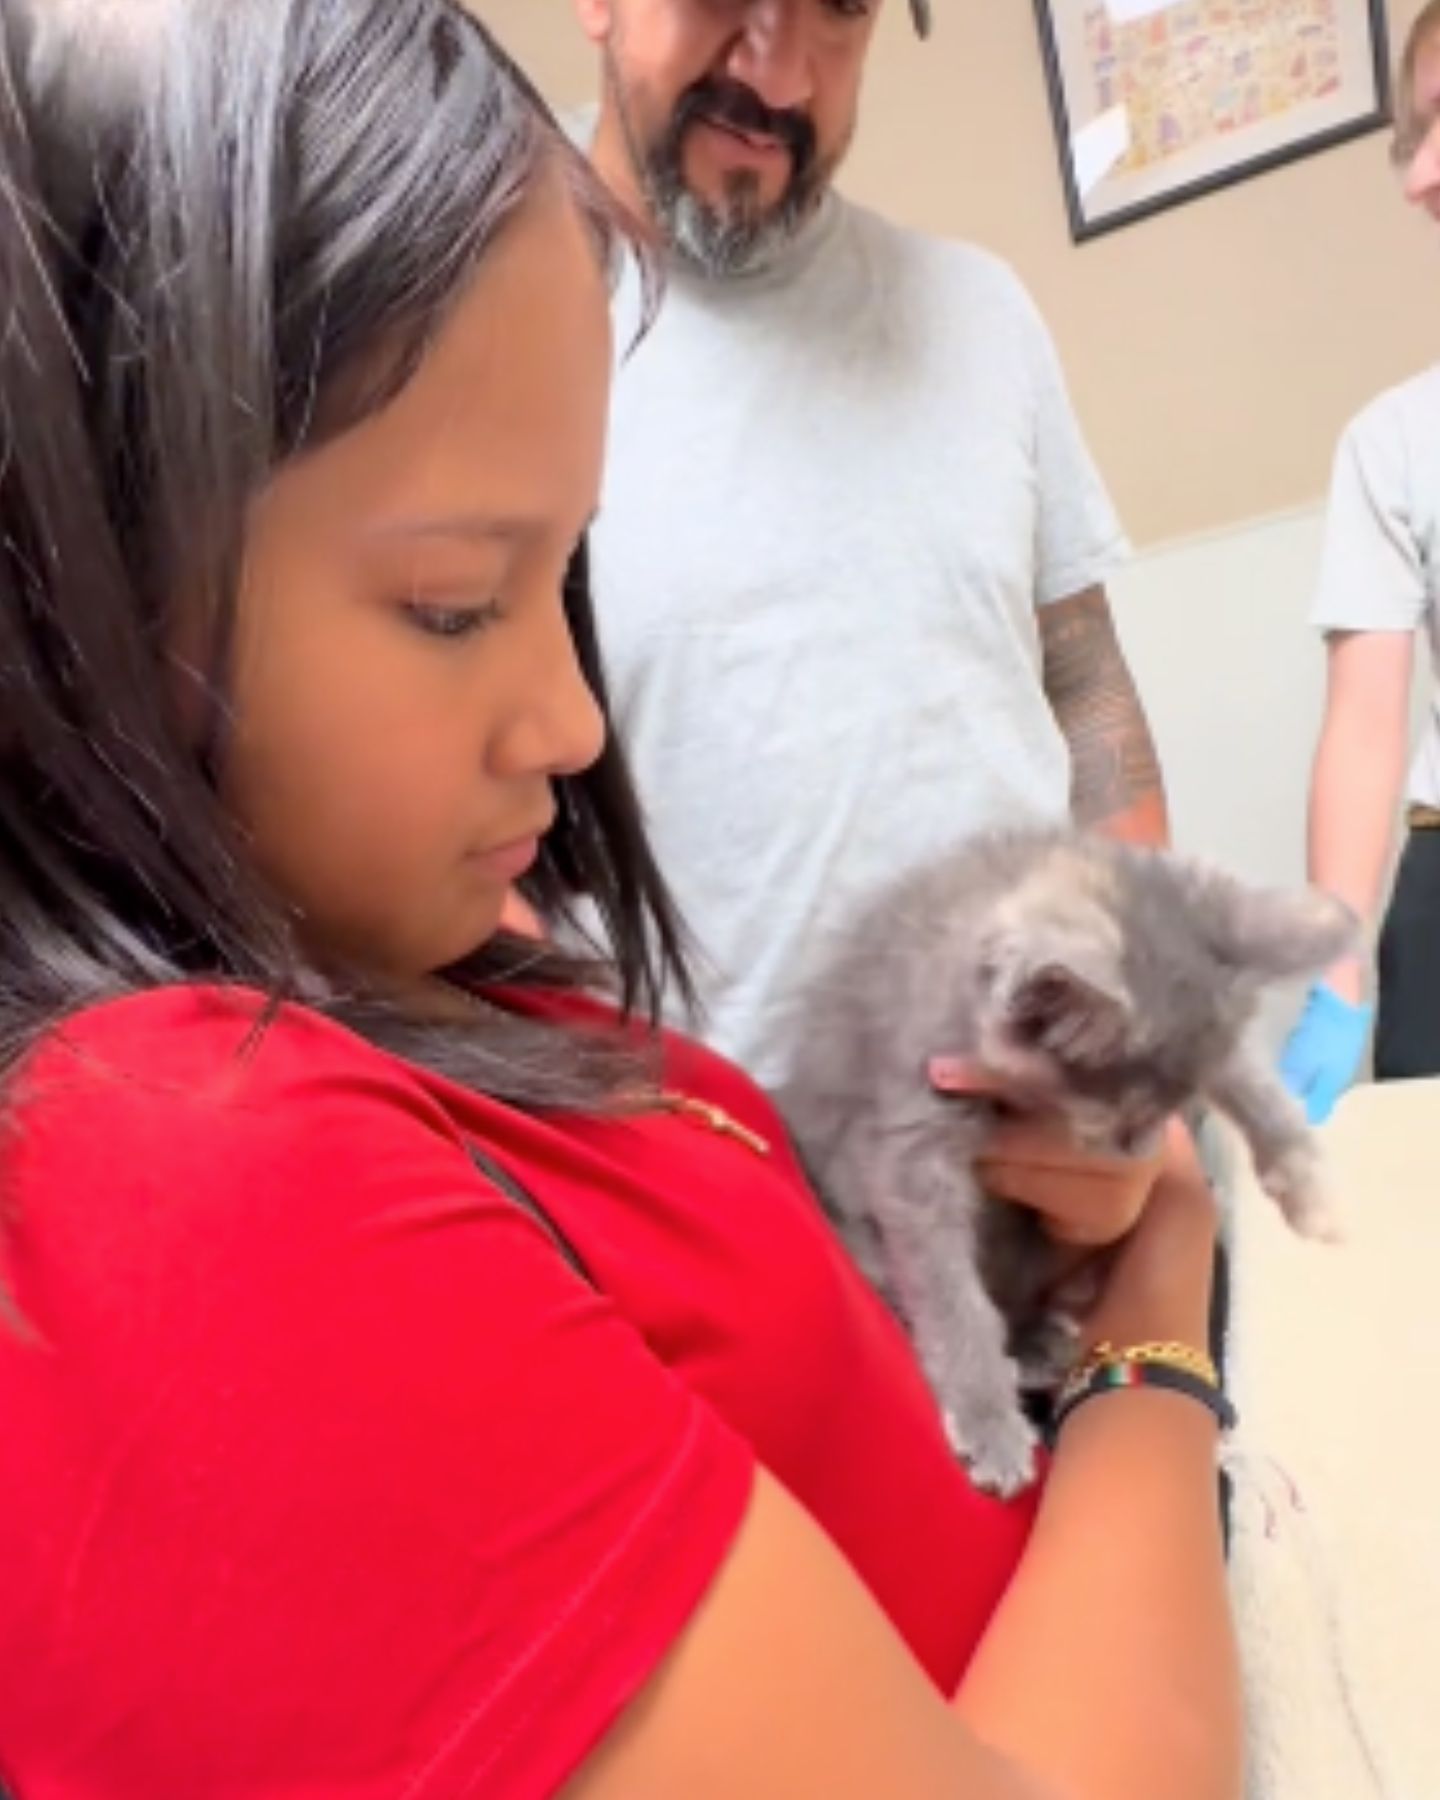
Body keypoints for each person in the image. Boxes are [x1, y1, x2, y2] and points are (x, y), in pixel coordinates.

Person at [0, 2, 1239, 1795]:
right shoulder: (181, 1163)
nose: (579, 727)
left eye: (563, 581)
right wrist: (1164, 1300)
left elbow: (1082, 698)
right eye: (451, 604)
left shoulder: (414, 946)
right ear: (93, 583)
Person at [568, 0, 1168, 1092]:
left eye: (842, 7)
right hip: (713, 1210)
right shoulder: (469, 325)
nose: (785, 77)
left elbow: (1083, 681)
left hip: (1039, 1176)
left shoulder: (981, 312)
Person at [1282, 0, 1440, 1125]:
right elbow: (1367, 725)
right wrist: (1336, 982)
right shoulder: (1395, 443)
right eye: (1408, 136)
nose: (1417, 179)